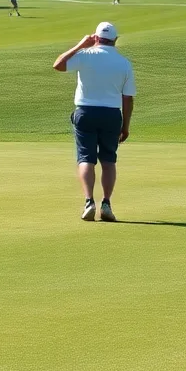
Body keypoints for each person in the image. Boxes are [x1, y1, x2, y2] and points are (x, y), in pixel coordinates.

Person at [53, 21, 136, 222]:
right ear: (115, 40)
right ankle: (106, 204)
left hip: (85, 112)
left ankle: (89, 201)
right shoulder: (124, 63)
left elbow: (58, 65)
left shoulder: (85, 55)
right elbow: (128, 98)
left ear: (96, 37)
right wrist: (125, 126)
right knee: (108, 161)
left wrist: (81, 45)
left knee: (85, 159)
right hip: (111, 115)